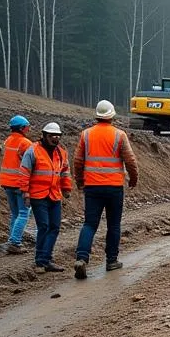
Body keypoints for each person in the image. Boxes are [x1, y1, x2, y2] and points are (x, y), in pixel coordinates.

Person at [72, 100, 139, 280]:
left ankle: (81, 258)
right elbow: (130, 161)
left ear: (97, 115)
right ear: (112, 116)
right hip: (114, 187)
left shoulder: (86, 135)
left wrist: (79, 181)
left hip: (92, 186)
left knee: (89, 223)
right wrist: (133, 178)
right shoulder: (119, 135)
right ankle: (111, 260)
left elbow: (78, 161)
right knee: (113, 224)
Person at [19, 122, 72, 273]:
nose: (55, 139)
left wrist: (66, 188)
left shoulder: (61, 153)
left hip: (54, 194)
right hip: (38, 195)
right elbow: (24, 172)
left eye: (57, 136)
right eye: (52, 136)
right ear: (44, 136)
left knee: (54, 227)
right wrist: (25, 192)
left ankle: (46, 258)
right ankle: (41, 261)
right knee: (44, 226)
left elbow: (65, 172)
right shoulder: (33, 151)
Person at [0, 115, 33, 254]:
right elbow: (32, 163)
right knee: (24, 213)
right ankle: (14, 242)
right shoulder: (25, 143)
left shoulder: (8, 140)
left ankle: (12, 240)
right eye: (27, 126)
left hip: (6, 182)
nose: (29, 129)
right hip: (20, 183)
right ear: (21, 128)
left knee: (15, 213)